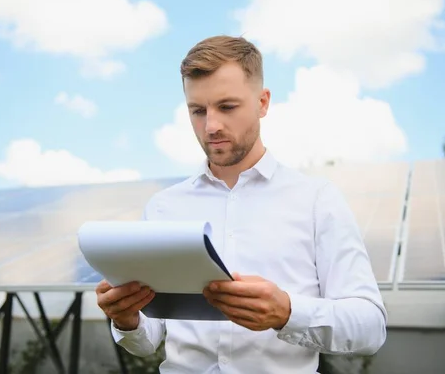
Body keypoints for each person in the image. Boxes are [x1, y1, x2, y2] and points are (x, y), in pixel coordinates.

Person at [95, 35, 387, 373]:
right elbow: (148, 341)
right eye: (198, 111)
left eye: (227, 107)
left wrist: (288, 313)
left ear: (263, 102)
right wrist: (127, 319)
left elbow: (370, 327)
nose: (212, 126)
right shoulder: (163, 208)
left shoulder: (317, 200)